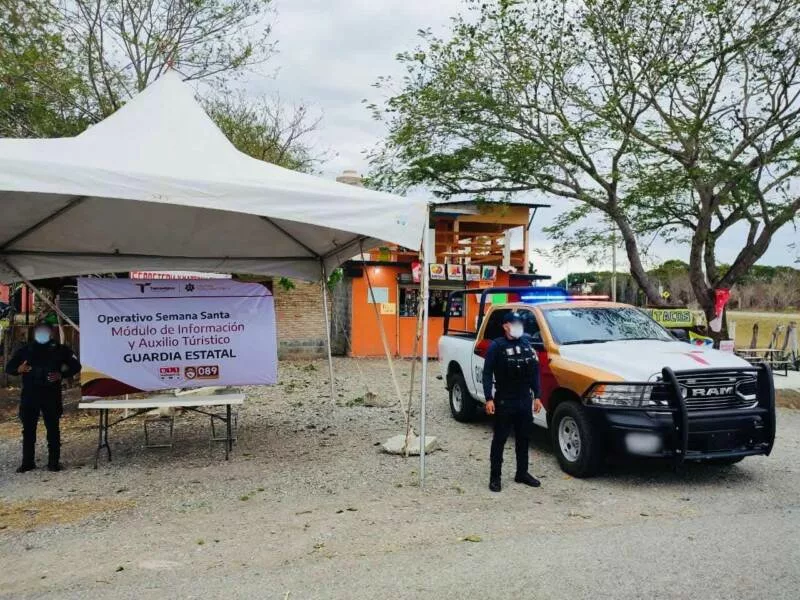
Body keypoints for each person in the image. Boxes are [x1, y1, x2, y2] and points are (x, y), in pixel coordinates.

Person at [5, 322, 81, 473]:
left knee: (53, 429)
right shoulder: (26, 350)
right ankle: (27, 462)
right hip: (30, 394)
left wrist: (62, 374)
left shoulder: (60, 350)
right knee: (28, 429)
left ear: (51, 333)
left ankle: (53, 462)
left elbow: (76, 366)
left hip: (51, 394)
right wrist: (19, 369)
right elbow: (9, 368)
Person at [483, 311, 542, 492]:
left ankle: (522, 473)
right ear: (505, 326)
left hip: (524, 399)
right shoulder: (496, 346)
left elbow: (534, 372)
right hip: (505, 400)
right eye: (514, 323)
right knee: (500, 440)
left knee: (524, 438)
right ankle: (495, 477)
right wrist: (488, 398)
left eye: (519, 323)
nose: (518, 326)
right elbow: (487, 373)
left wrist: (537, 395)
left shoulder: (526, 344)